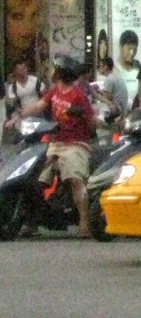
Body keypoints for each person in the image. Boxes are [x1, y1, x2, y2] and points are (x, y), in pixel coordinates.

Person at [4, 57, 98, 237]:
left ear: (60, 72)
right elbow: (38, 107)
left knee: (75, 180)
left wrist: (80, 118)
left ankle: (84, 223)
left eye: (54, 69)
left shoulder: (78, 95)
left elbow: (92, 122)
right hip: (54, 143)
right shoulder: (54, 92)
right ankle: (32, 221)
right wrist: (17, 117)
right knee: (34, 179)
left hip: (75, 144)